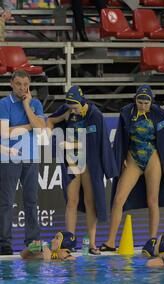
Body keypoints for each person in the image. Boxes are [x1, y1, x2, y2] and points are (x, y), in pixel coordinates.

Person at [100, 85, 164, 252]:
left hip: (152, 158)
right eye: (139, 102)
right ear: (135, 100)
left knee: (152, 201)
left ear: (151, 102)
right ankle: (111, 241)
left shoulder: (160, 114)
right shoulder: (127, 113)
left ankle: (152, 241)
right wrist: (120, 158)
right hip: (133, 158)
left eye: (145, 102)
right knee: (119, 199)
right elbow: (120, 137)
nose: (142, 105)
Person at [47, 86, 118, 255]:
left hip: (90, 162)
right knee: (71, 202)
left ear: (82, 102)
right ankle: (69, 242)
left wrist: (108, 169)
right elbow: (50, 121)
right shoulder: (67, 110)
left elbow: (100, 144)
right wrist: (54, 135)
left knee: (89, 203)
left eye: (75, 107)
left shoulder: (96, 116)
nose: (73, 111)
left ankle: (91, 244)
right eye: (70, 107)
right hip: (72, 161)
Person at [0, 69, 46, 255]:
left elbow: (41, 129)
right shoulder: (4, 103)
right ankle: (5, 243)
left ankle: (32, 241)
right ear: (11, 84)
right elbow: (4, 133)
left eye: (26, 85)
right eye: (19, 84)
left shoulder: (35, 103)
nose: (22, 88)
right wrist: (30, 125)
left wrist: (27, 106)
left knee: (32, 202)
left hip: (31, 157)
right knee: (6, 202)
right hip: (9, 157)